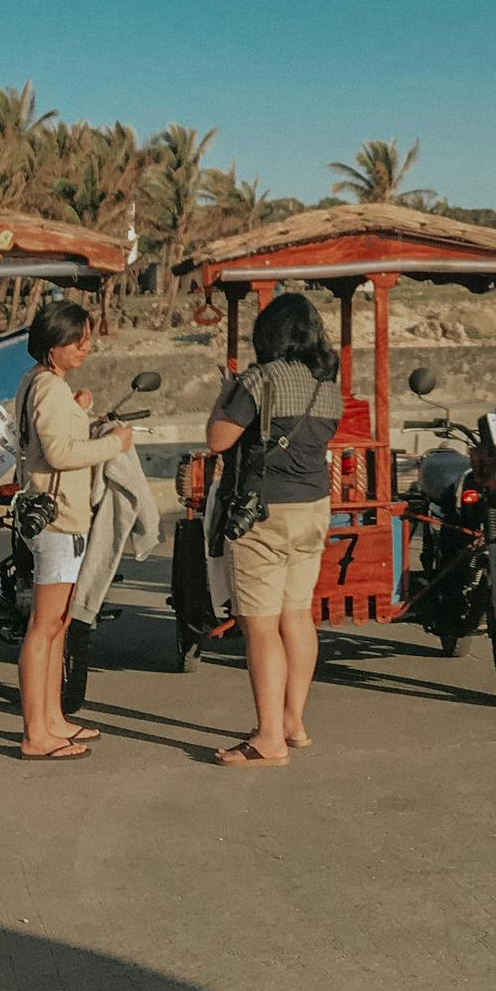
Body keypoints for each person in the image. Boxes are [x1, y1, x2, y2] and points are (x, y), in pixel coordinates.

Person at [203, 293, 342, 768]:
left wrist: (226, 392)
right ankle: (292, 723)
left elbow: (217, 440)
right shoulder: (327, 386)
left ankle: (268, 740)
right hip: (314, 508)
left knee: (260, 627)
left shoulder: (257, 381)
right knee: (297, 617)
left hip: (262, 513)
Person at [13, 298, 134, 762]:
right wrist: (112, 444)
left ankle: (52, 719)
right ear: (53, 343)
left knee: (57, 624)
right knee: (44, 626)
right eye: (76, 339)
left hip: (53, 515)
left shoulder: (38, 383)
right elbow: (61, 454)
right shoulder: (48, 388)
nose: (86, 346)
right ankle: (35, 733)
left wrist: (78, 406)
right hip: (60, 519)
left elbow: (46, 440)